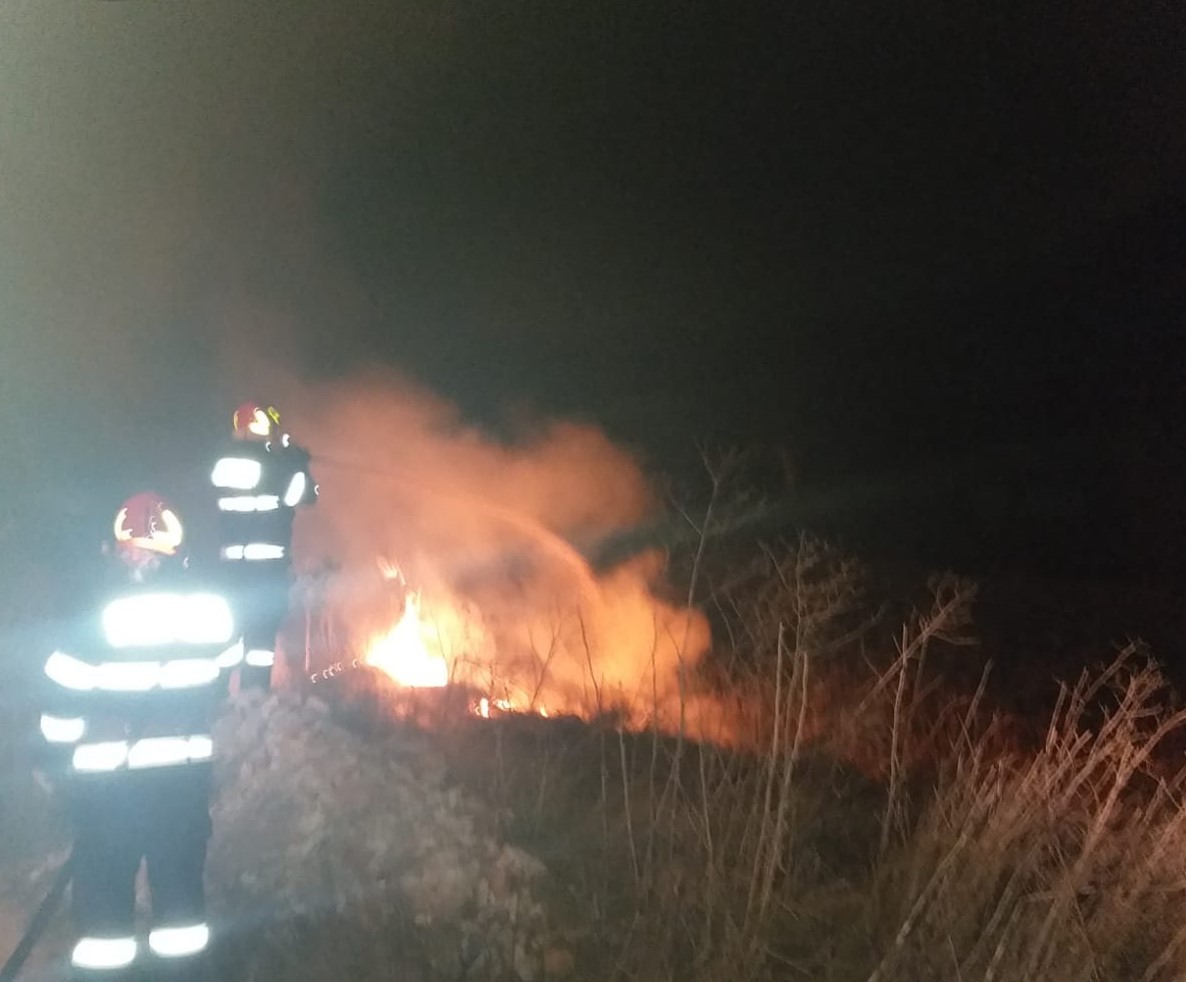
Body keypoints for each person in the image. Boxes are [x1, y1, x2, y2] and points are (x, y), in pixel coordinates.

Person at [39, 492, 242, 980]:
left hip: (110, 792)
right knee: (181, 905)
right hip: (183, 787)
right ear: (176, 549)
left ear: (118, 548)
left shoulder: (93, 615)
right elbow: (223, 679)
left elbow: (62, 710)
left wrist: (54, 766)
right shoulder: (214, 613)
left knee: (105, 914)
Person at [209, 401, 317, 690]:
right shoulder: (273, 467)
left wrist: (286, 459)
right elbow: (303, 496)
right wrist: (298, 462)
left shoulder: (224, 464)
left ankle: (218, 696)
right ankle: (253, 696)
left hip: (230, 572)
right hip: (265, 572)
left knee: (229, 638)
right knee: (259, 643)